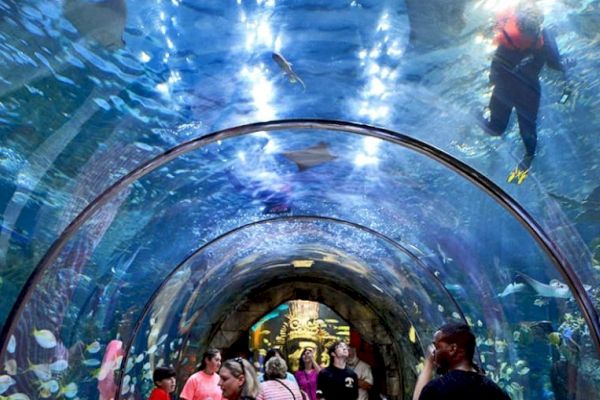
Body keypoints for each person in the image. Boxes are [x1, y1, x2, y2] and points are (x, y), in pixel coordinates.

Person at [480, 2, 571, 184]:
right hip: (511, 89)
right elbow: (496, 67)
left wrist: (566, 64)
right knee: (498, 129)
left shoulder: (541, 37)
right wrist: (566, 65)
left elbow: (554, 62)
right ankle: (474, 114)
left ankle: (525, 164)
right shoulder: (512, 36)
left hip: (521, 90)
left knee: (524, 132)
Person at [412, 323, 510, 400]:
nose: (433, 352)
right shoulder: (495, 391)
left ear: (452, 349)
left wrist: (428, 365)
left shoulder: (436, 389)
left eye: (437, 347)